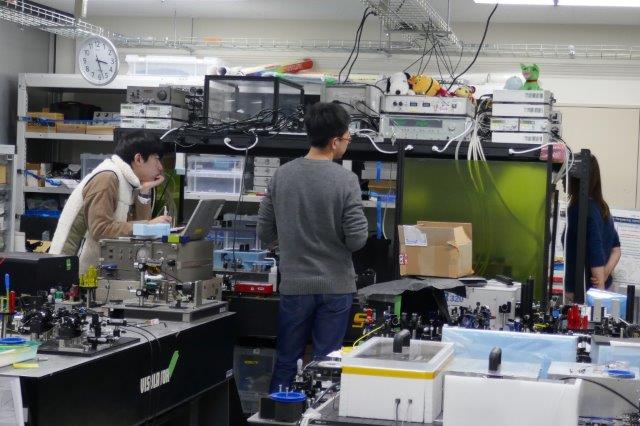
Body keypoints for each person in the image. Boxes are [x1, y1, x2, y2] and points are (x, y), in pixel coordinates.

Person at [257, 102, 368, 393]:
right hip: (336, 287)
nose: (348, 142)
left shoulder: (282, 175)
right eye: (347, 137)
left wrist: (290, 242)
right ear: (334, 141)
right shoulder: (346, 180)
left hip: (294, 285)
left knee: (286, 361)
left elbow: (264, 232)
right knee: (325, 366)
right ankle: (318, 413)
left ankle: (278, 412)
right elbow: (357, 239)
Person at [50, 130, 172, 274]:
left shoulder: (129, 181)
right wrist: (148, 225)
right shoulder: (107, 178)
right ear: (139, 159)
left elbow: (137, 230)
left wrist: (144, 191)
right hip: (70, 270)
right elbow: (100, 230)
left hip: (95, 271)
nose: (160, 167)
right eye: (157, 159)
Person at [565, 154, 621, 301]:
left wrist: (599, 288)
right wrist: (605, 274)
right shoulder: (602, 208)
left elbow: (595, 250)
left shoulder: (581, 209)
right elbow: (616, 249)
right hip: (593, 291)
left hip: (584, 294)